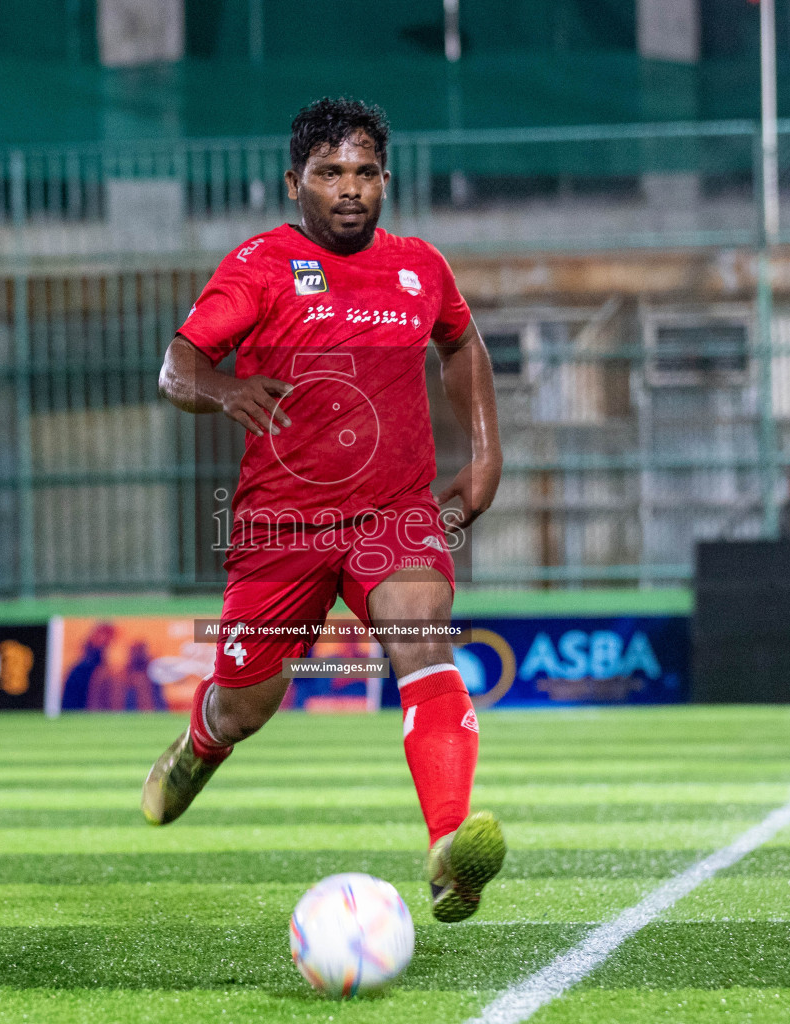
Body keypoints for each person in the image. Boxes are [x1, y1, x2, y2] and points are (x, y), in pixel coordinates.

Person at [141, 97, 506, 922]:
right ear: (294, 183)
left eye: (365, 172)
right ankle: (202, 744)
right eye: (330, 173)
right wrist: (224, 387)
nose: (350, 189)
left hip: (394, 510)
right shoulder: (261, 266)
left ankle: (450, 848)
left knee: (422, 628)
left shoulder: (420, 267)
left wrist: (484, 454)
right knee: (246, 703)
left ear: (386, 180)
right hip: (282, 525)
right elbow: (178, 365)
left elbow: (462, 343)